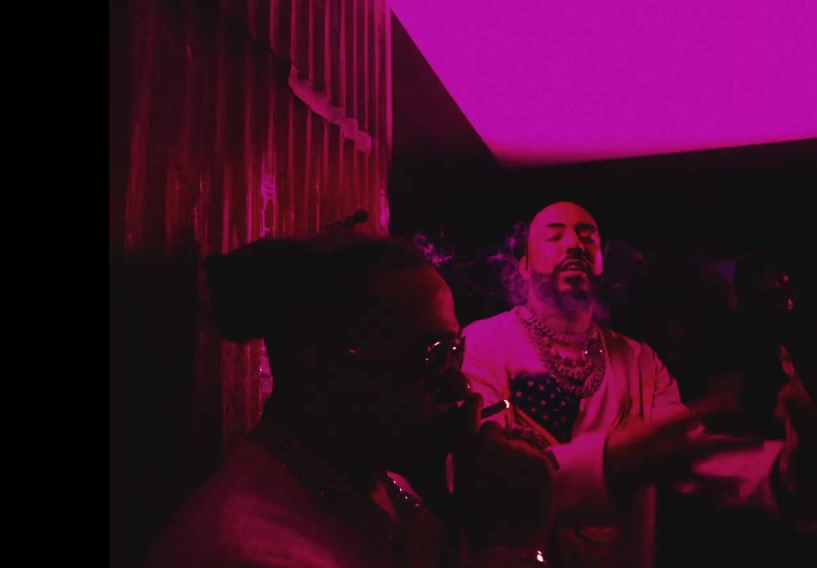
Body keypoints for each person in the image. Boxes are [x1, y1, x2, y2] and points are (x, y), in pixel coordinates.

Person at [461, 202, 817, 568]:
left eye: (588, 237)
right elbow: (493, 478)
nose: (574, 244)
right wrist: (610, 460)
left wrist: (780, 471)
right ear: (524, 266)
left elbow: (688, 454)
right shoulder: (482, 343)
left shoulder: (640, 360)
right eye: (554, 236)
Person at [145, 235, 556, 568]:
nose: (461, 387)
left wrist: (459, 506)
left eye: (456, 353)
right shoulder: (254, 554)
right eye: (435, 357)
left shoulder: (377, 479)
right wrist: (511, 543)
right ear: (322, 372)